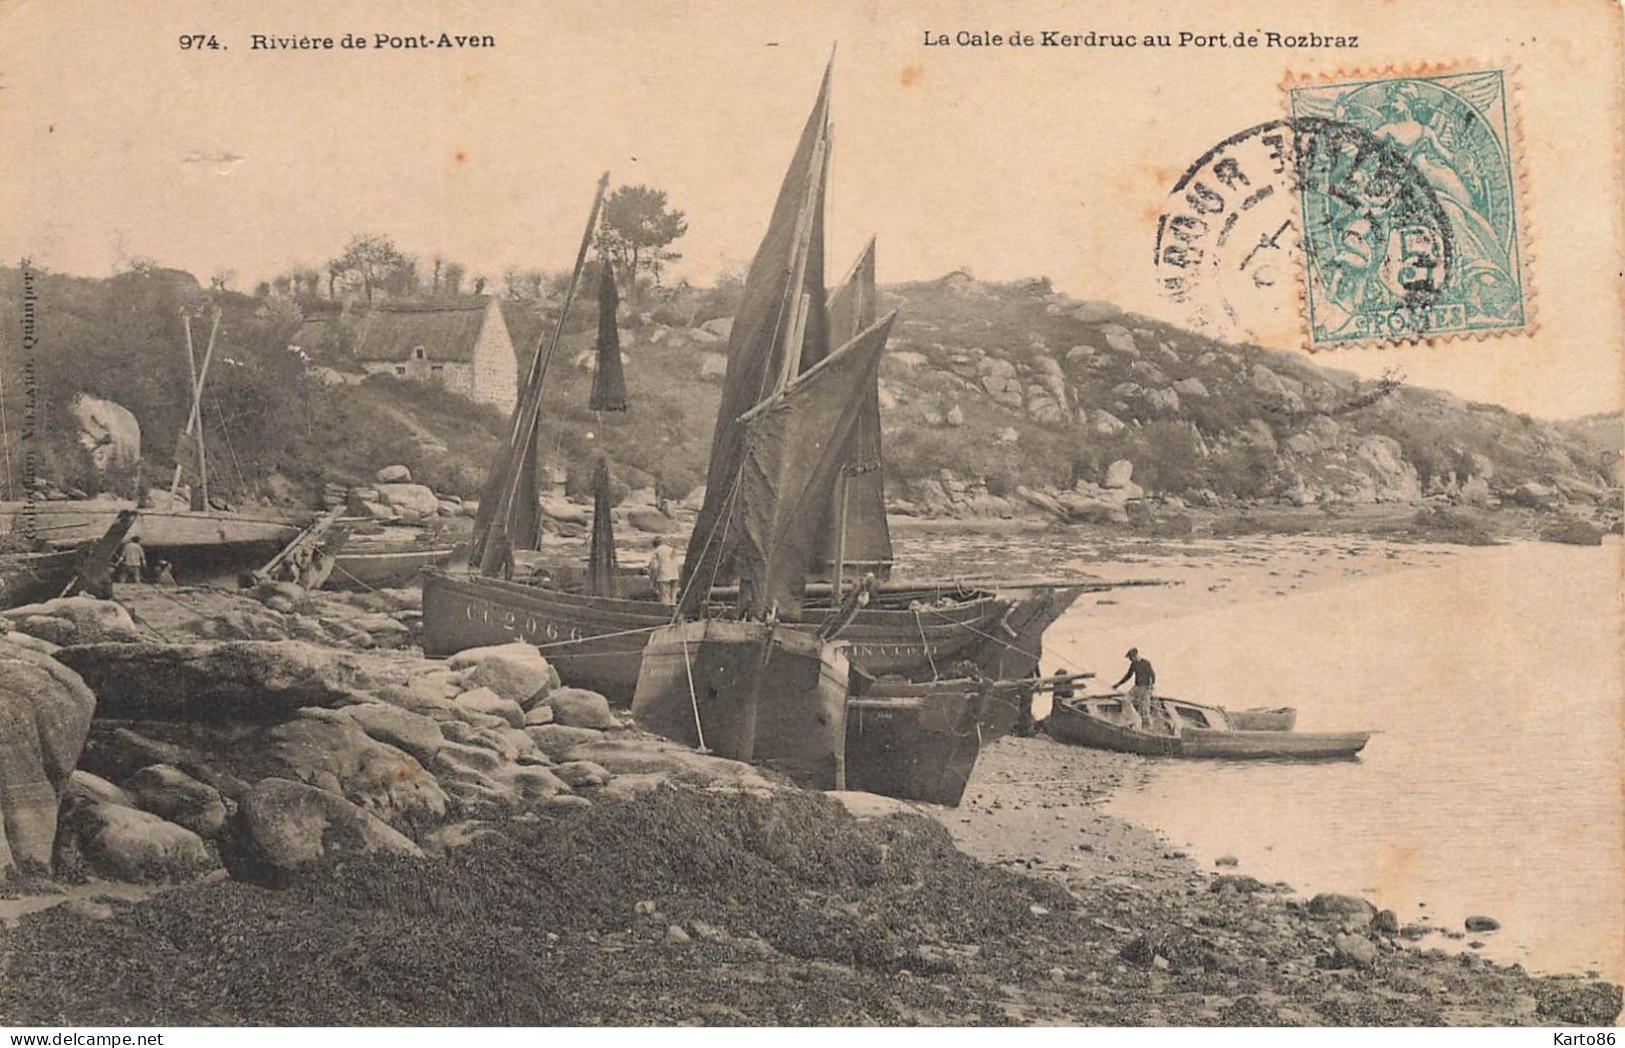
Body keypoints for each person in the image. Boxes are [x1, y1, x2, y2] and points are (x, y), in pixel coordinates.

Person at [1113, 647, 1159, 732]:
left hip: (1146, 689)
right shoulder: (1133, 665)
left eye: (1131, 658)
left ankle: (1148, 730)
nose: (1131, 660)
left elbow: (1153, 675)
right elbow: (1128, 676)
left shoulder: (1146, 663)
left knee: (1145, 711)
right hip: (1136, 688)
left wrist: (1151, 686)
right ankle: (1132, 720)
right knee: (1125, 700)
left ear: (1136, 655)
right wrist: (1118, 684)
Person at [647, 537, 680, 606]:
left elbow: (655, 567)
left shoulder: (656, 552)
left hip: (663, 576)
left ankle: (666, 613)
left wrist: (652, 580)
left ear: (654, 545)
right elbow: (677, 563)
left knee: (665, 597)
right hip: (675, 575)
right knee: (673, 596)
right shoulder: (671, 549)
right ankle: (673, 611)